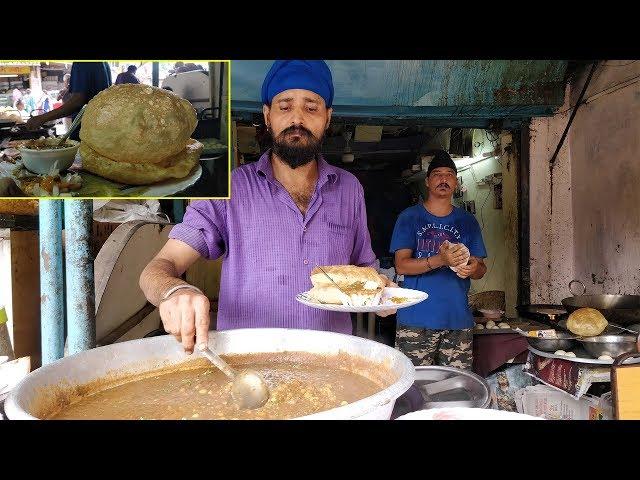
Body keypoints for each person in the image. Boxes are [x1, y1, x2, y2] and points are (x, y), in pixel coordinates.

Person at [139, 60, 396, 354]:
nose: (297, 119)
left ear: (327, 117)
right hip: (248, 368)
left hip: (332, 363)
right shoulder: (230, 190)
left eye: (311, 107)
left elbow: (365, 271)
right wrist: (174, 291)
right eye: (285, 106)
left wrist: (382, 293)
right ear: (267, 115)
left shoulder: (349, 188)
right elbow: (155, 270)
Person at [391, 149, 488, 370]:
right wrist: (441, 260)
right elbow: (401, 264)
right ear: (427, 181)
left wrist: (473, 268)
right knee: (413, 388)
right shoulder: (409, 217)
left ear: (455, 181)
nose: (443, 179)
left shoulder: (467, 221)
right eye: (437, 174)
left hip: (457, 321)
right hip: (415, 321)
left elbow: (481, 268)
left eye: (449, 174)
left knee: (457, 389)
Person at [25, 62, 112, 141]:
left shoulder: (81, 63)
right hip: (101, 130)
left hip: (86, 133)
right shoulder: (103, 63)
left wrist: (42, 118)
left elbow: (77, 101)